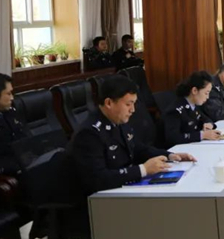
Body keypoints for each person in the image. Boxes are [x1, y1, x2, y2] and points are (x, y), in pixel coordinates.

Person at [68, 75, 196, 195]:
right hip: (101, 199)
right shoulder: (89, 133)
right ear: (109, 103)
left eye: (134, 103)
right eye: (128, 104)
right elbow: (98, 179)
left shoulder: (118, 121)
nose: (133, 110)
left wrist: (170, 155)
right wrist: (143, 170)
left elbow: (137, 148)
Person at [163, 71, 222, 145]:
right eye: (206, 93)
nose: (207, 97)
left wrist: (209, 124)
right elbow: (173, 138)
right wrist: (202, 135)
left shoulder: (194, 105)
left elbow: (206, 119)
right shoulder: (176, 110)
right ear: (194, 91)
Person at [0, 73, 28, 176]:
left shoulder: (10, 112)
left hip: (23, 163)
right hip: (9, 170)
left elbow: (22, 138)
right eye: (8, 93)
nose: (12, 98)